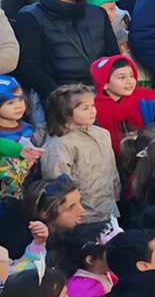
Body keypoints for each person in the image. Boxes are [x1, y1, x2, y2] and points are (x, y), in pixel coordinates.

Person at [13, 0, 120, 104]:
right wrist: (61, 98)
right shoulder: (30, 16)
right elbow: (29, 67)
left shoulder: (98, 13)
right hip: (57, 104)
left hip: (102, 98)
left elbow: (114, 57)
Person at [40, 84, 119, 223]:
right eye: (85, 108)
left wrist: (116, 194)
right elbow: (56, 180)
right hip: (82, 216)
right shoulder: (61, 143)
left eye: (92, 105)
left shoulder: (102, 134)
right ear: (67, 113)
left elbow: (111, 168)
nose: (92, 111)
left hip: (108, 210)